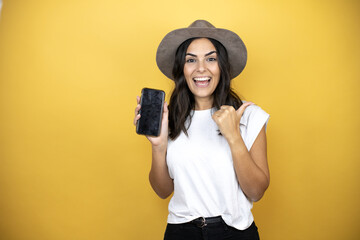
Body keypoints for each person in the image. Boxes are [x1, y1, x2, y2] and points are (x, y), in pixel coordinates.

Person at [133, 20, 270, 240]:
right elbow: (163, 191)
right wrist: (158, 147)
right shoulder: (170, 118)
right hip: (180, 232)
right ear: (182, 69)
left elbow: (256, 192)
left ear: (222, 66)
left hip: (234, 233)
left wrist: (234, 136)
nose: (201, 68)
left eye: (211, 58)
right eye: (191, 60)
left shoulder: (249, 116)